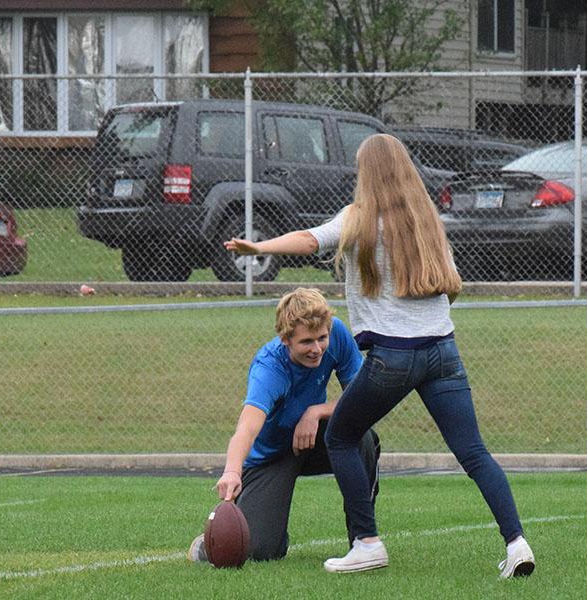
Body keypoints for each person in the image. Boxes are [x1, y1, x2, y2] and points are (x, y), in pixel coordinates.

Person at [224, 133, 535, 578]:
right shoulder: (426, 221)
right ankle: (517, 542)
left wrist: (259, 248)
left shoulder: (359, 219)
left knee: (341, 437)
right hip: (444, 350)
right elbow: (451, 286)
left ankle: (366, 542)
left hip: (395, 357)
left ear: (366, 174)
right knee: (473, 452)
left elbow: (311, 241)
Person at [188, 287, 380, 563]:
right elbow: (247, 428)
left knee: (360, 436)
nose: (317, 349)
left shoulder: (337, 333)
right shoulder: (269, 368)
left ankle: (363, 541)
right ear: (285, 339)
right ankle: (213, 543)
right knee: (260, 551)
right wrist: (232, 471)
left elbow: (363, 397)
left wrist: (316, 412)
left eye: (322, 338)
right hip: (271, 457)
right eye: (306, 342)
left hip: (312, 441)